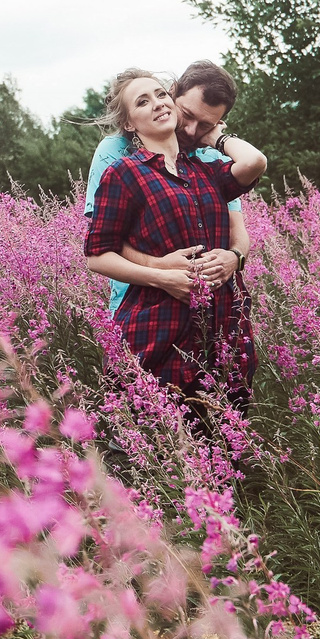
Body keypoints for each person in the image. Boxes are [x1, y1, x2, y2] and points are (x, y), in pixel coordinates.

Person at [81, 67, 268, 427]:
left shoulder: (206, 167)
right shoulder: (121, 169)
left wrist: (217, 137)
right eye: (143, 101)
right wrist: (163, 273)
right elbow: (99, 251)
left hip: (222, 323)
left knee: (227, 442)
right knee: (158, 444)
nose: (158, 105)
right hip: (157, 323)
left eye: (159, 96)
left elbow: (255, 163)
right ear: (130, 125)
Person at [82, 60, 262, 311]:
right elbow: (102, 242)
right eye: (187, 115)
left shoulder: (211, 156)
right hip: (141, 304)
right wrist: (162, 268)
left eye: (205, 125)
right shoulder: (116, 154)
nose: (190, 130)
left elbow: (236, 227)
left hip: (212, 307)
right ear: (174, 91)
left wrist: (234, 258)